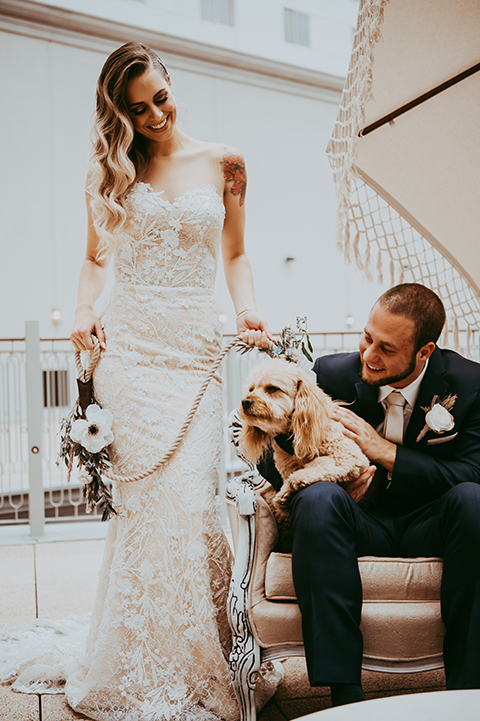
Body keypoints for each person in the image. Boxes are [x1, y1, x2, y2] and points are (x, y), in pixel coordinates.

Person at [64, 41, 271, 720]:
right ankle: (139, 662)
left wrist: (245, 309)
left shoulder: (226, 162)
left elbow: (235, 253)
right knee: (148, 512)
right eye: (137, 107)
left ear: (172, 83)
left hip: (193, 354)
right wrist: (85, 311)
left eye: (160, 95)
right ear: (119, 113)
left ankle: (205, 651)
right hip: (132, 355)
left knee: (191, 502)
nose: (154, 113)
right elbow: (95, 261)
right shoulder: (112, 171)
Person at [263, 283, 480, 707]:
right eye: (366, 338)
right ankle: (345, 696)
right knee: (317, 499)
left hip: (432, 523)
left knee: (475, 501)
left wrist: (387, 455)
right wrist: (323, 469)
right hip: (355, 520)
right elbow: (269, 459)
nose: (369, 355)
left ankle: (468, 694)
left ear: (425, 352)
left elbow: (472, 471)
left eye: (386, 348)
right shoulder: (331, 375)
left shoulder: (470, 385)